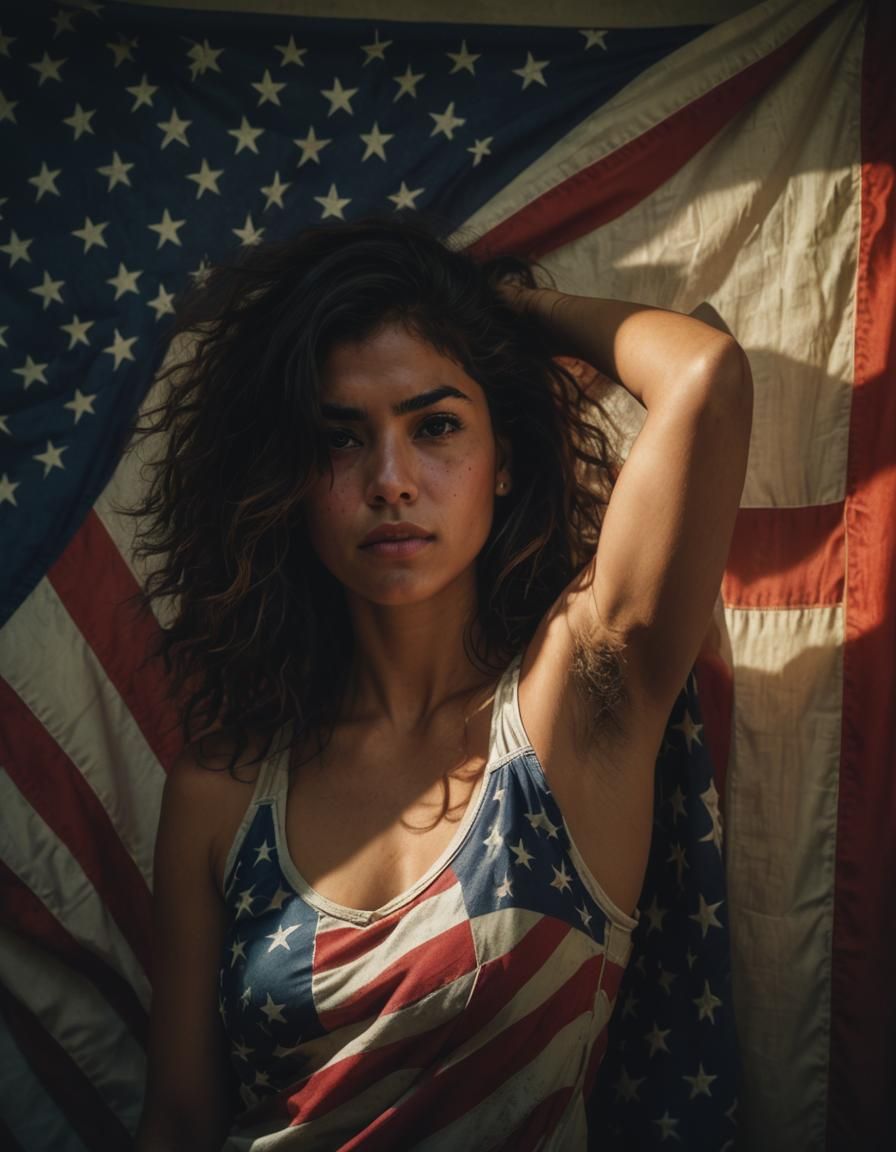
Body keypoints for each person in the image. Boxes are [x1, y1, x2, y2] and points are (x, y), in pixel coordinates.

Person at [129, 212, 752, 1151]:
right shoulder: (219, 794)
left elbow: (704, 376)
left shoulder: (578, 708)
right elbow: (178, 1121)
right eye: (341, 439)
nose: (391, 479)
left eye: (438, 425)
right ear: (290, 478)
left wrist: (498, 313)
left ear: (503, 460)